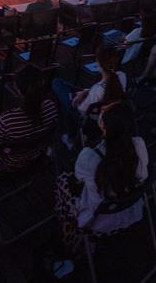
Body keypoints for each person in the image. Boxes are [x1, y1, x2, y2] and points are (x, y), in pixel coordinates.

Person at [53, 102, 149, 251]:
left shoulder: (89, 157)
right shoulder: (139, 145)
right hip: (130, 211)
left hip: (97, 222)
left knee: (63, 180)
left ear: (102, 126)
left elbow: (79, 177)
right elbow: (142, 177)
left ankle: (75, 238)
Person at [0, 66, 58, 188]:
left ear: (17, 89)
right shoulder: (51, 107)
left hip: (7, 164)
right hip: (35, 157)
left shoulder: (7, 120)